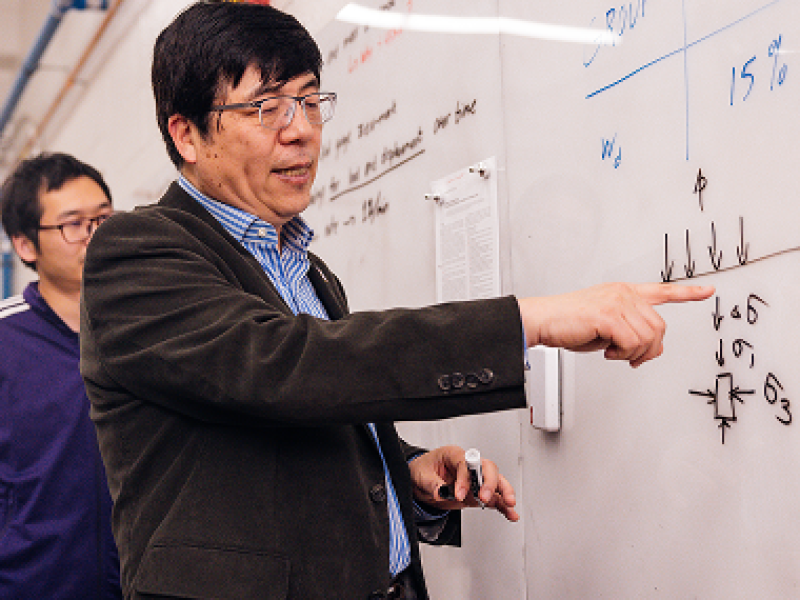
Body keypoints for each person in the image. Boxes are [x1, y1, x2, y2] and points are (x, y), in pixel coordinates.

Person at [79, 3, 714, 600]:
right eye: (267, 107)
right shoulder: (137, 252)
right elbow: (287, 367)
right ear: (187, 135)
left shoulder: (309, 269)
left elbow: (314, 414)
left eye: (309, 100)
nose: (300, 132)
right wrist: (534, 319)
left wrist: (402, 472)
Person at [0, 152, 121, 599]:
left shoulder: (150, 332)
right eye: (73, 224)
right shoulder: (5, 341)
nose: (94, 235)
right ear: (25, 245)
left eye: (104, 218)